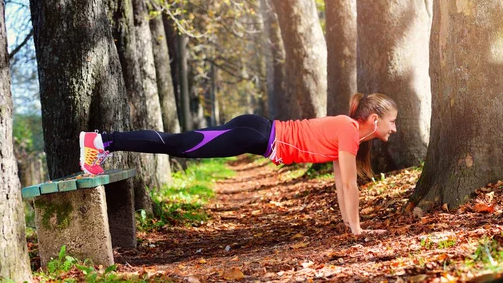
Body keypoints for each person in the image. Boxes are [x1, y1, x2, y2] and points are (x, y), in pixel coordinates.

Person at [79, 93, 398, 235]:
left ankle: (103, 142)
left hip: (257, 130)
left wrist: (349, 224)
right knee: (180, 145)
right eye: (392, 121)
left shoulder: (348, 131)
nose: (394, 128)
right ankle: (102, 141)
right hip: (255, 135)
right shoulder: (349, 131)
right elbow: (348, 184)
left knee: (181, 143)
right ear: (373, 119)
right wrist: (357, 229)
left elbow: (341, 180)